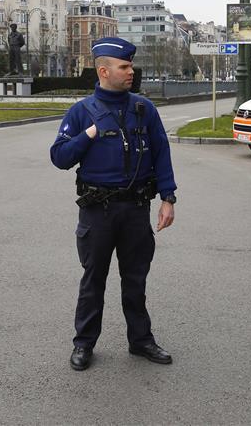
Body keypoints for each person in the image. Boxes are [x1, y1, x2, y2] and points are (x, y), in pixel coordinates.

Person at [50, 37, 177, 371]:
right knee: (94, 280)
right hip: (98, 212)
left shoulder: (143, 109)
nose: (130, 71)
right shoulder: (81, 111)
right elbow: (59, 157)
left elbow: (162, 153)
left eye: (131, 65)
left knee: (136, 279)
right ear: (104, 71)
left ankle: (141, 341)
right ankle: (83, 344)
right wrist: (88, 134)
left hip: (136, 209)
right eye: (124, 66)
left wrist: (168, 198)